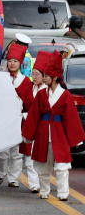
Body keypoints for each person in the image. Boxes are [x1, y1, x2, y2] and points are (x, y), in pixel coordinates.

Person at [22, 51, 85, 201]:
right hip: (43, 132)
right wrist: (28, 136)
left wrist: (76, 140)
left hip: (59, 133)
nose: (44, 78)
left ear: (55, 77)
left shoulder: (66, 95)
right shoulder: (41, 94)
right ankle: (44, 190)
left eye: (46, 76)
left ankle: (63, 193)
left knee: (62, 166)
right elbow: (34, 116)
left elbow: (71, 118)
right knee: (43, 166)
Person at [0, 43, 31, 188]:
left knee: (16, 153)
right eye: (10, 61)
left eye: (15, 61)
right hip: (3, 120)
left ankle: (13, 179)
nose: (12, 64)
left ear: (20, 63)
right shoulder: (1, 79)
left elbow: (29, 103)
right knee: (1, 153)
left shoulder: (26, 82)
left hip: (18, 121)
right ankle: (1, 173)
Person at [18, 51, 50, 194]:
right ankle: (33, 183)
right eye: (33, 73)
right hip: (30, 126)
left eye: (37, 74)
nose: (34, 77)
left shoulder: (50, 91)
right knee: (29, 157)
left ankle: (43, 182)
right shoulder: (26, 90)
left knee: (43, 158)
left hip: (45, 127)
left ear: (44, 76)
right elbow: (20, 106)